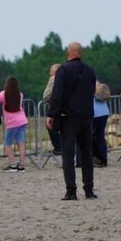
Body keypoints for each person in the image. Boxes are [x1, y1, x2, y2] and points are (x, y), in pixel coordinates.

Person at [47, 42, 97, 201]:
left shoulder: (63, 70)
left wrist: (51, 114)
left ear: (68, 54)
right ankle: (89, 189)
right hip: (87, 117)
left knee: (68, 155)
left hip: (69, 118)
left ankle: (71, 190)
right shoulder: (90, 70)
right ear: (80, 54)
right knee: (87, 154)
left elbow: (57, 93)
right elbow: (93, 91)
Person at [0, 76, 29, 172]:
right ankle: (22, 165)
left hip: (12, 122)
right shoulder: (20, 94)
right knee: (21, 143)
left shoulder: (3, 94)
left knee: (7, 144)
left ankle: (12, 164)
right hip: (22, 120)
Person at [42, 64, 62, 154]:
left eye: (51, 70)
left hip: (54, 106)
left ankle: (58, 147)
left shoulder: (53, 78)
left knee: (51, 125)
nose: (49, 73)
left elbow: (47, 94)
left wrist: (47, 99)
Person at [92, 80, 110, 168]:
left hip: (94, 113)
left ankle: (98, 159)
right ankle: (103, 159)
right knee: (100, 137)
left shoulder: (85, 83)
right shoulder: (97, 83)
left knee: (93, 138)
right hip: (104, 112)